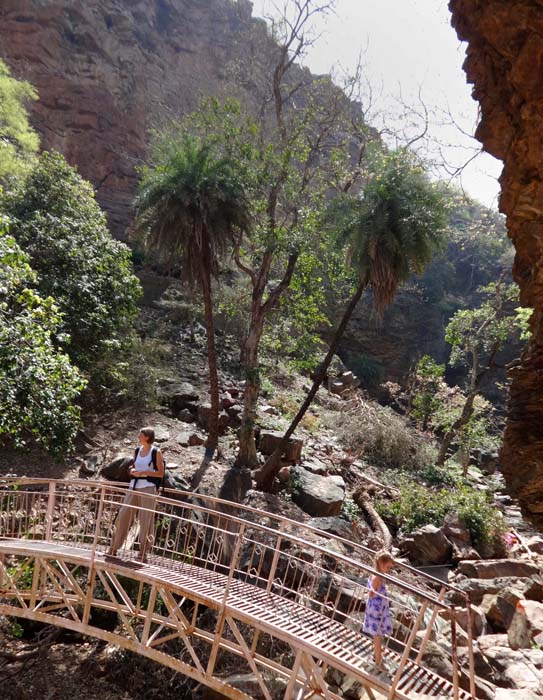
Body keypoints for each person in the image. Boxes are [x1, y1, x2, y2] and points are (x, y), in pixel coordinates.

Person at [108, 427, 164, 562]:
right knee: (123, 514)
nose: (138, 436)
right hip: (134, 486)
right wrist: (132, 471)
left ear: (147, 437)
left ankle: (143, 552)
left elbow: (160, 473)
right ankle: (114, 548)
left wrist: (144, 473)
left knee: (146, 519)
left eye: (141, 434)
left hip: (148, 487)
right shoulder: (137, 451)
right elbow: (133, 466)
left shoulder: (156, 452)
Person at [363, 550, 394, 674]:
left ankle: (377, 656)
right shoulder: (377, 577)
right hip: (376, 609)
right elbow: (371, 593)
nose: (388, 570)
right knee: (377, 635)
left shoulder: (376, 575)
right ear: (381, 563)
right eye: (387, 567)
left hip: (378, 608)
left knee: (378, 634)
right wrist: (377, 592)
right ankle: (378, 660)